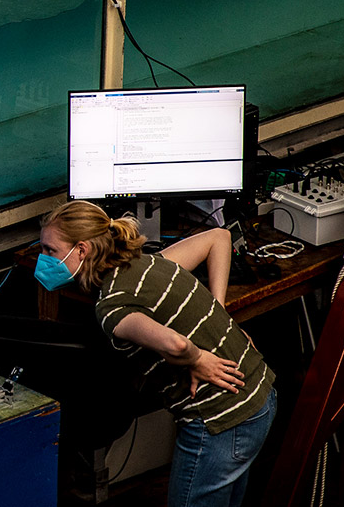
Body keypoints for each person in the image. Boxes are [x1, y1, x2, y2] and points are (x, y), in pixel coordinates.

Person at [36, 200, 277, 507]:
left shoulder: (112, 308)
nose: (43, 259)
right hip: (259, 398)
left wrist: (198, 358)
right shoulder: (149, 261)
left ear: (82, 250)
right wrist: (219, 314)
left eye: (49, 250)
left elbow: (176, 345)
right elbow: (219, 238)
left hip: (221, 422)